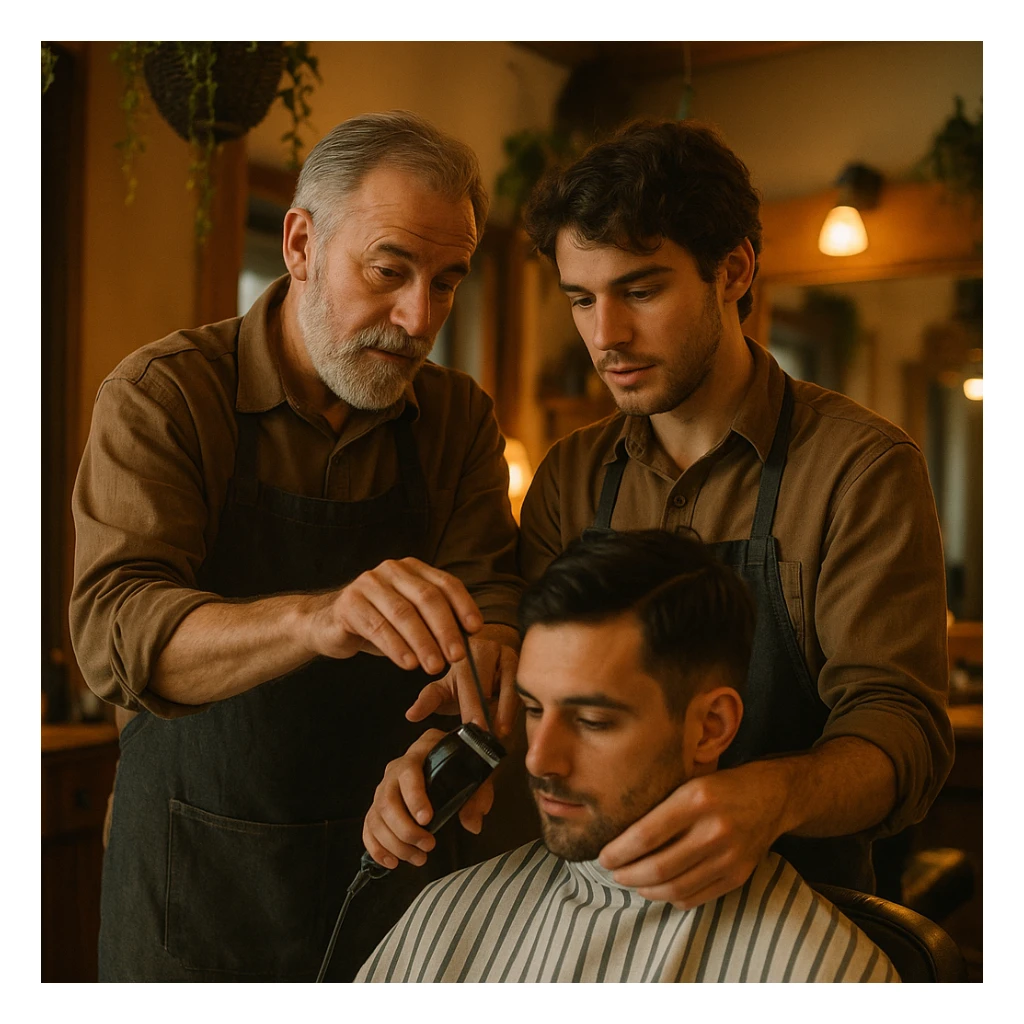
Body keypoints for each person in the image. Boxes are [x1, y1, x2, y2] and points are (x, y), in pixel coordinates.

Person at [364, 117, 953, 909]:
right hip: (595, 912)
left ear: (734, 270)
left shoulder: (859, 470)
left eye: (641, 291)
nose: (605, 336)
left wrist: (774, 797)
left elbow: (904, 729)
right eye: (582, 299)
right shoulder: (572, 477)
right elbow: (538, 699)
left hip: (795, 919)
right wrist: (445, 758)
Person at [69, 110, 524, 982]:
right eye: (389, 270)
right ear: (301, 243)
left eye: (447, 282)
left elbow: (492, 607)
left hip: (400, 874)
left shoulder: (459, 419)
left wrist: (462, 717)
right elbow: (113, 634)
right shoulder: (165, 398)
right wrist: (319, 620)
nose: (418, 316)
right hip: (194, 888)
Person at [356, 531, 898, 983]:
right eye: (534, 709)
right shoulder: (447, 914)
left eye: (593, 721)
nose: (539, 761)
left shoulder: (823, 975)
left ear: (710, 727)